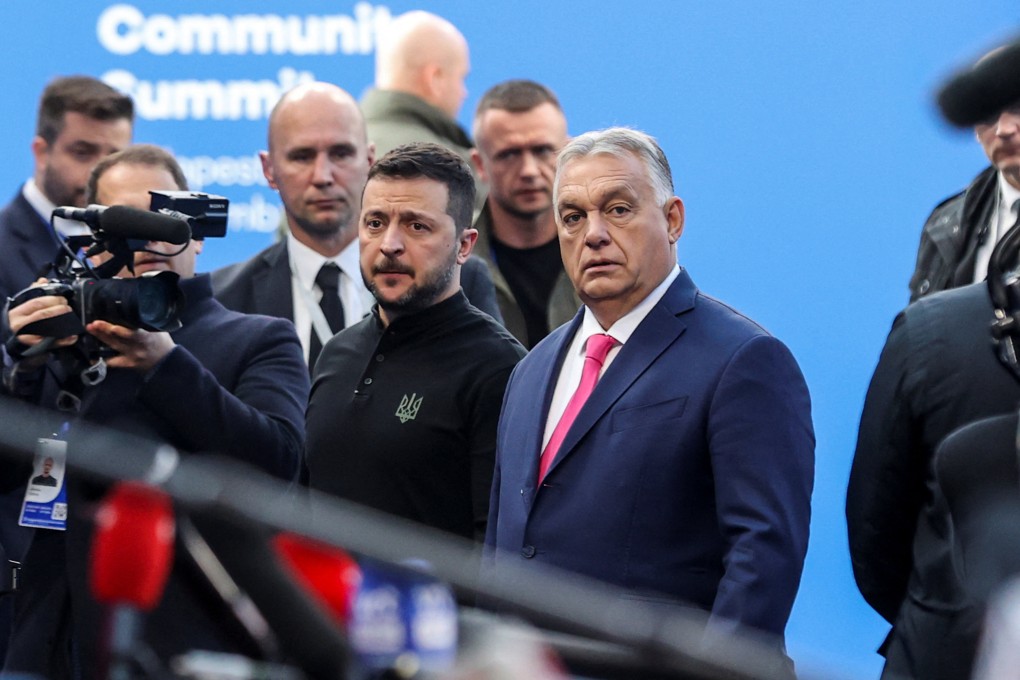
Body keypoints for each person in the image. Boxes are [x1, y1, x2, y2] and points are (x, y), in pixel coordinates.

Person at [484, 128, 815, 644]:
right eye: (572, 217)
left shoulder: (743, 359)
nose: (592, 233)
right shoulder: (530, 369)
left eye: (617, 209)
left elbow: (762, 558)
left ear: (672, 219)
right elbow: (502, 549)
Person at [1, 144, 309, 678]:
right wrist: (19, 368)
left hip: (191, 646)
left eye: (163, 220)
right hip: (50, 642)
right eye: (126, 221)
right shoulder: (62, 339)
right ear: (91, 238)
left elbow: (278, 463)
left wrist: (167, 366)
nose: (148, 240)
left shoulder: (257, 338)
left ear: (194, 232)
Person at [305, 143, 525, 541]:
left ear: (464, 245)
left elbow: (495, 549)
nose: (389, 244)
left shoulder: (500, 369)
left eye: (415, 225)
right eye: (374, 223)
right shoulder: (336, 353)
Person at [213, 82, 500, 371]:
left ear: (369, 160)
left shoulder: (458, 276)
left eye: (340, 154)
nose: (323, 176)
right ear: (268, 170)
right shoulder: (225, 298)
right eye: (302, 156)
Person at [0, 74, 133, 667]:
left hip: (104, 548)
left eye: (113, 156)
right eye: (83, 152)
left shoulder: (130, 259)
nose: (94, 176)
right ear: (40, 150)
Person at [470, 80, 579, 348]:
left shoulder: (608, 248)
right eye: (509, 154)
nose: (528, 170)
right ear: (480, 165)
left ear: (569, 154)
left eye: (542, 150)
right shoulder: (451, 261)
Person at [909, 43, 1020, 302]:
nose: (1003, 129)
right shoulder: (946, 224)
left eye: (1018, 107)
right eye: (989, 114)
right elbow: (924, 336)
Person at [359, 10, 486, 211]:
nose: (465, 93)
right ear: (435, 79)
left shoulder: (331, 156)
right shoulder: (448, 168)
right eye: (461, 78)